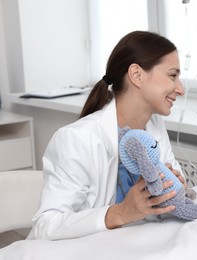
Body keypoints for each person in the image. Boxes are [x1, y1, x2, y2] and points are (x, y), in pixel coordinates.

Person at [28, 31, 186, 240]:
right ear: (137, 75)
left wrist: (175, 188)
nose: (181, 89)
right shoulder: (75, 140)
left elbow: (176, 189)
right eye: (172, 76)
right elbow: (45, 227)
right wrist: (120, 213)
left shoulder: (154, 125)